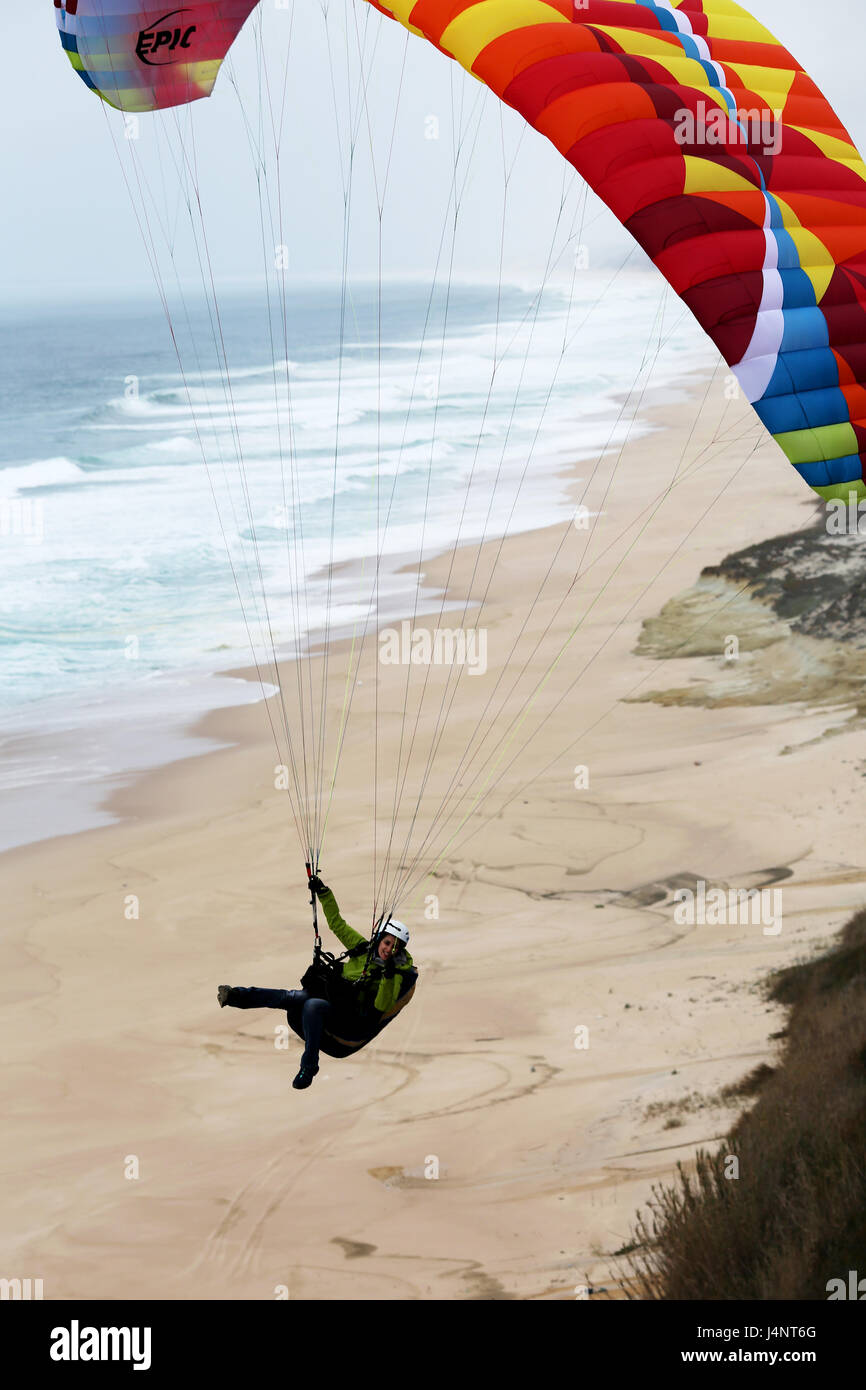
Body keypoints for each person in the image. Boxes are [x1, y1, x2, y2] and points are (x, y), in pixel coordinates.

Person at [217, 876, 417, 1090]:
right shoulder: (363, 949)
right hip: (332, 1001)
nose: (389, 949)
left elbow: (382, 1006)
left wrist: (387, 975)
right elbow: (337, 924)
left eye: (395, 947)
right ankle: (234, 996)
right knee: (292, 998)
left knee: (312, 1005)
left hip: (347, 1023)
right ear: (380, 939)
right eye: (387, 942)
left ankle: (309, 1066)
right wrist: (323, 893)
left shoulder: (394, 974)